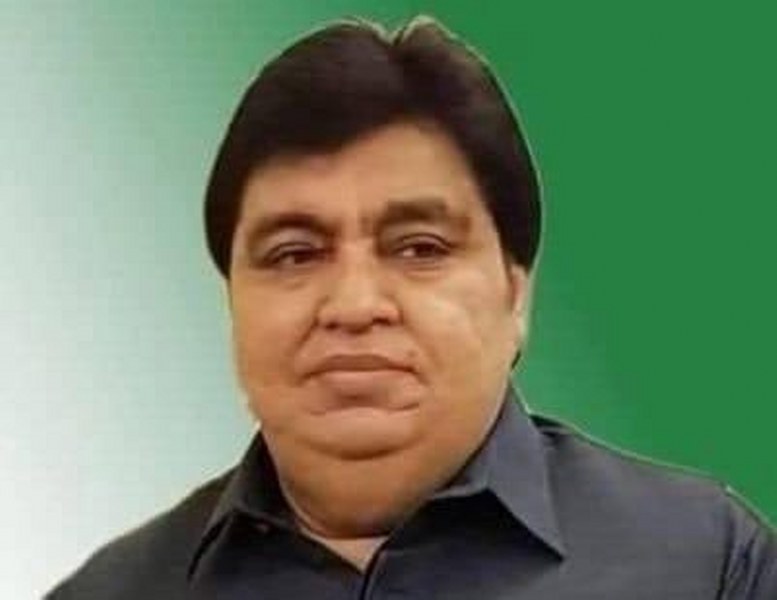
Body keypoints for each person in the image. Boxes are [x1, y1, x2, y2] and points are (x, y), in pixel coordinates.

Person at [46, 16, 775, 599]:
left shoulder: (707, 565)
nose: (354, 305)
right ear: (232, 302)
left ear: (515, 294)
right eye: (294, 254)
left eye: (420, 247)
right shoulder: (113, 591)